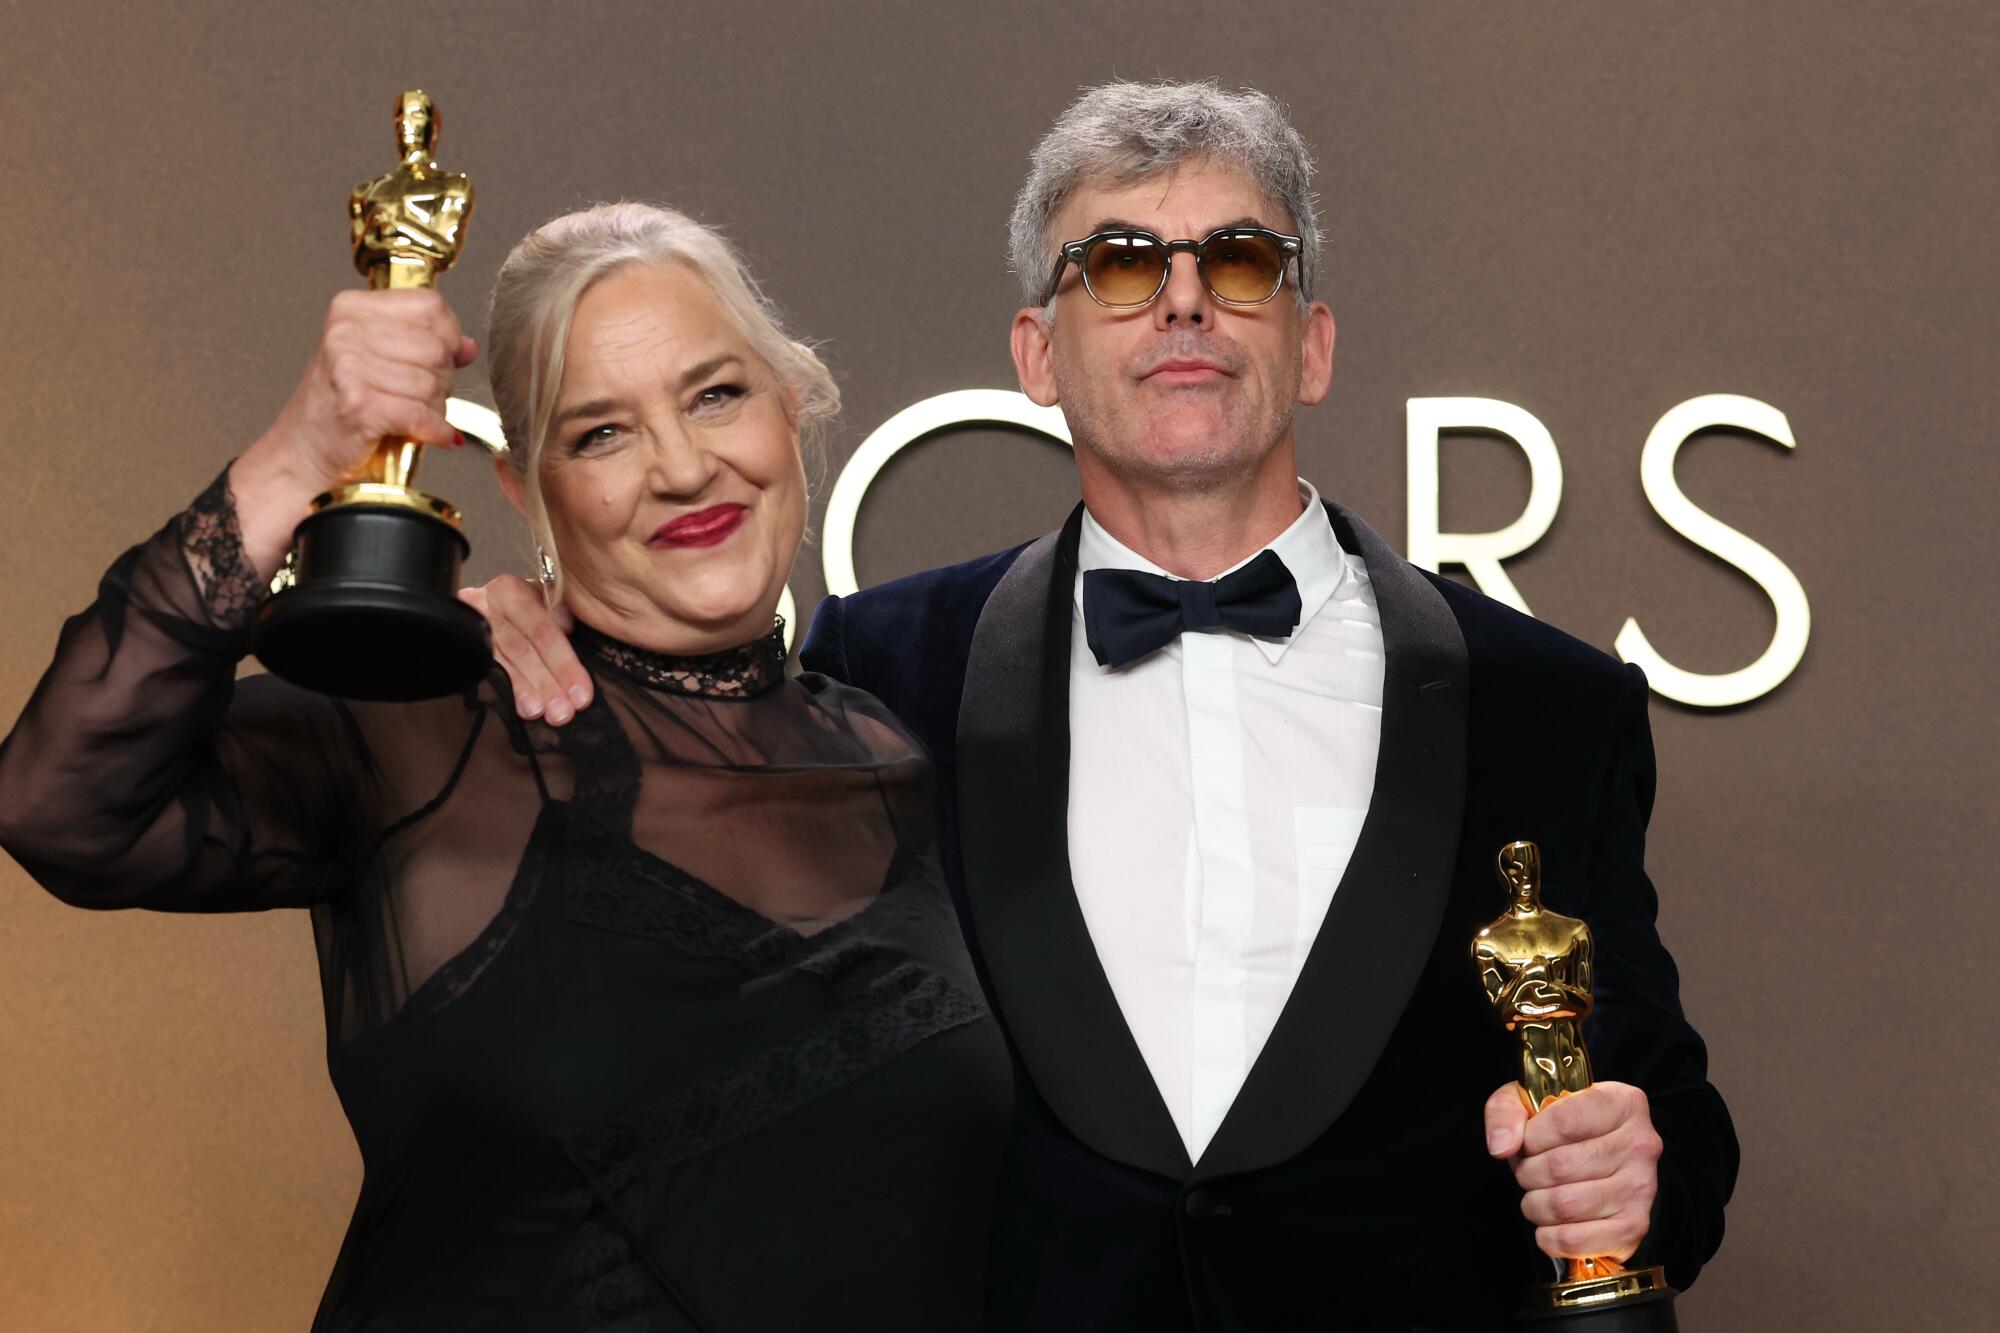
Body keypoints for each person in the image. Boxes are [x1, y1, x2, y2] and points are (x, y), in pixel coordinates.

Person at [479, 83, 1739, 1329]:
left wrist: (1642, 1170)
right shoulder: (878, 669)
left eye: (1239, 260)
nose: (1183, 298)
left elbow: (1662, 1112)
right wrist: (517, 649)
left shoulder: (1547, 702)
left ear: (1312, 345)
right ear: (1036, 353)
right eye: (1119, 265)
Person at [0, 202, 1011, 1332]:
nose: (682, 467)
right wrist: (297, 458)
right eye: (600, 434)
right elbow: (62, 802)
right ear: (529, 492)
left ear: (792, 407)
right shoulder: (428, 724)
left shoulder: (904, 758)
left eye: (715, 394)